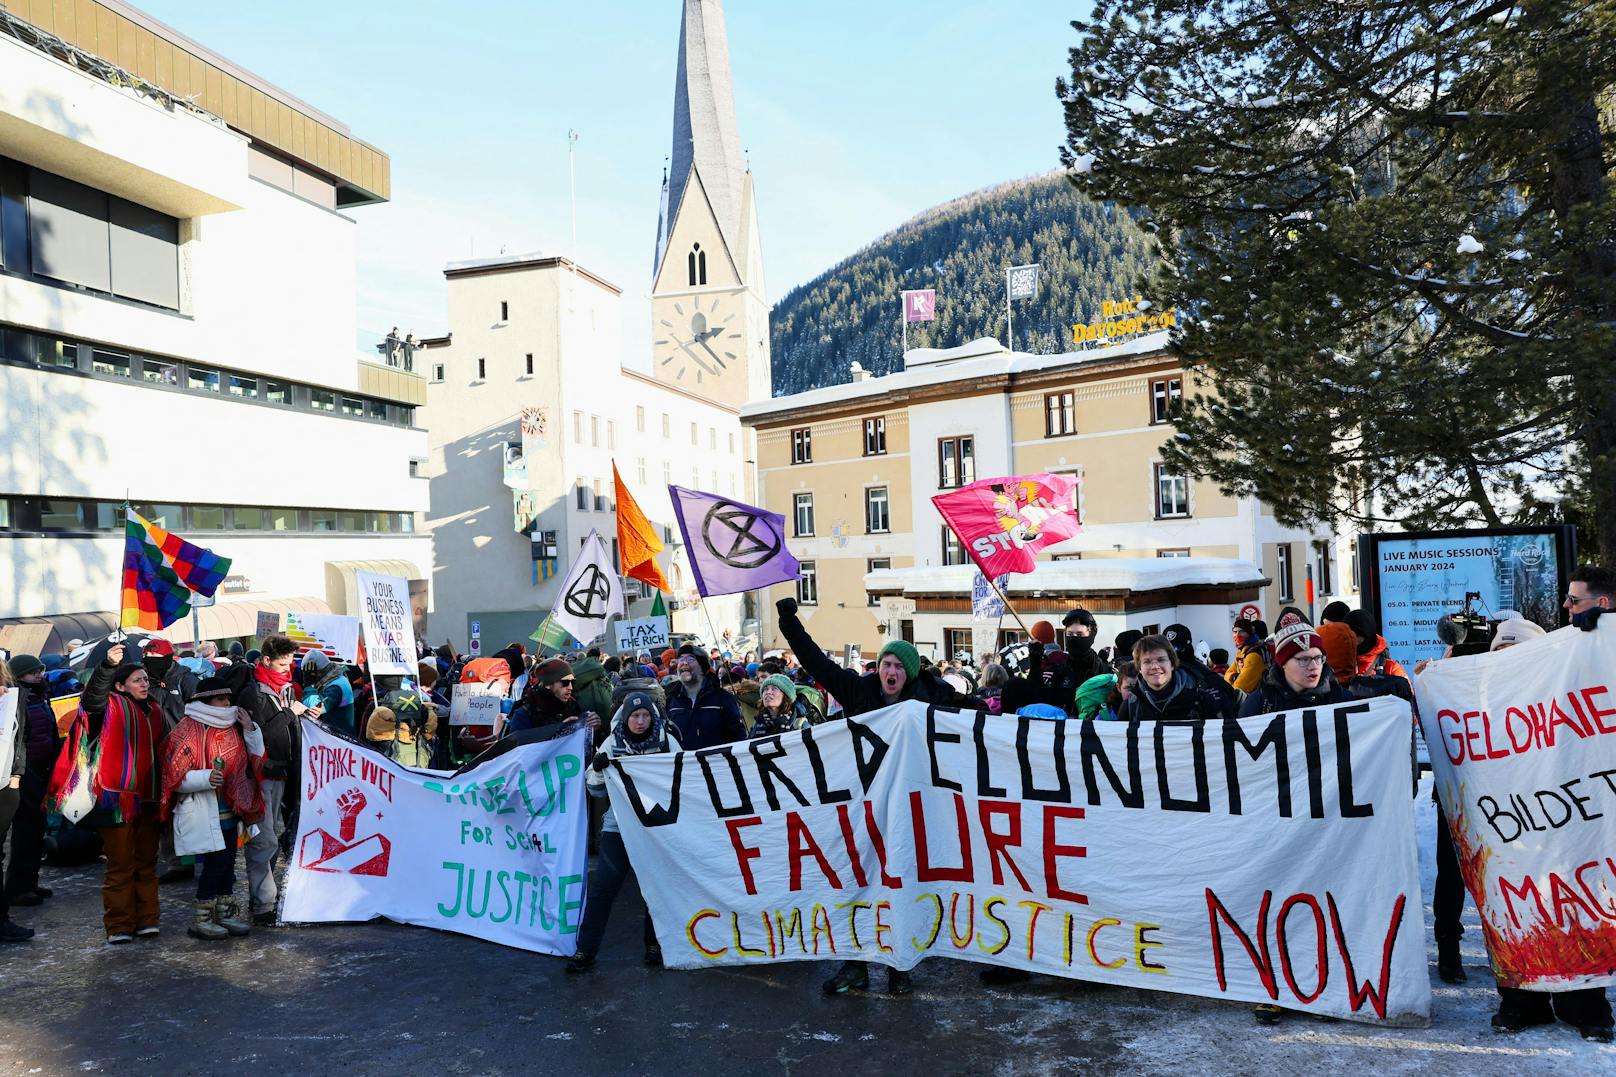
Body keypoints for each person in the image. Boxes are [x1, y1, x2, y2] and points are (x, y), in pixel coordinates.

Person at [777, 596, 960, 995]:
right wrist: (790, 622)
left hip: (909, 809)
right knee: (856, 882)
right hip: (859, 806)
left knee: (902, 884)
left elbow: (977, 720)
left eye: (897, 667)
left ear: (909, 674)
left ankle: (900, 966)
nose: (889, 671)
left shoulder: (931, 698)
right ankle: (854, 965)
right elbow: (815, 663)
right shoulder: (857, 690)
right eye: (885, 664)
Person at [1484, 579, 1612, 1041]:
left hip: (1563, 822)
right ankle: (1521, 1002)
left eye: (1519, 654)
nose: (1510, 662)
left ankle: (1586, 1004)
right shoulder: (1481, 699)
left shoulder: (1568, 687)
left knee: (1577, 908)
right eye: (1502, 653)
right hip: (1507, 826)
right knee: (1515, 909)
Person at [569, 691, 682, 973]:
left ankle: (655, 944)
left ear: (652, 716)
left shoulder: (667, 741)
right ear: (625, 718)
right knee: (604, 887)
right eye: (635, 716)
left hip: (657, 825)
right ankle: (585, 949)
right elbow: (595, 790)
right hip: (619, 824)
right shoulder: (612, 742)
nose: (641, 721)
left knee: (656, 887)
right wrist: (596, 770)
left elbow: (683, 778)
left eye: (645, 715)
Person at [74, 643, 168, 943]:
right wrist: (107, 666)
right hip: (116, 798)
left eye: (145, 679)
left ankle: (147, 920)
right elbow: (92, 700)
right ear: (120, 686)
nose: (145, 683)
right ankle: (119, 925)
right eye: (137, 680)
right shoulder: (109, 707)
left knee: (146, 864)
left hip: (149, 797)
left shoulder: (154, 709)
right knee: (120, 866)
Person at [159, 676, 263, 940]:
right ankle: (201, 918)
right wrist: (205, 778)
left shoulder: (233, 727)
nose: (227, 704)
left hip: (231, 809)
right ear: (205, 702)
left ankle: (224, 914)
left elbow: (256, 757)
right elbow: (173, 777)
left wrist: (250, 728)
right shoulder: (186, 730)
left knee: (228, 864)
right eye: (220, 699)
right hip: (203, 810)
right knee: (214, 865)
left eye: (228, 699)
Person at [240, 634, 316, 927]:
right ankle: (264, 904)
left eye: (291, 662)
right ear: (266, 660)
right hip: (262, 774)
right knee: (263, 839)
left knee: (271, 838)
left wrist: (306, 716)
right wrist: (290, 713)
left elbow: (287, 728)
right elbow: (264, 733)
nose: (288, 668)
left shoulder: (285, 690)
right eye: (283, 663)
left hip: (286, 772)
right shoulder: (253, 693)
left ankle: (262, 897)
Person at [5, 655, 60, 913]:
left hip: (42, 768)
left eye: (40, 670)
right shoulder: (18, 700)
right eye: (32, 672)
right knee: (26, 832)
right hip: (25, 773)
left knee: (37, 830)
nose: (38, 675)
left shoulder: (39, 696)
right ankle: (18, 888)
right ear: (19, 676)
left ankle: (30, 882)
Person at [1238, 620, 1351, 718]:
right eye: (1304, 659)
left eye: (1318, 658)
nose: (1313, 666)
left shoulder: (1341, 699)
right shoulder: (1259, 705)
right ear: (1283, 663)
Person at [1120, 635, 1230, 722]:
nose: (1154, 667)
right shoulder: (1130, 706)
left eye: (1161, 660)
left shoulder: (1201, 700)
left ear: (1172, 664)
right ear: (1139, 668)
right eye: (1147, 662)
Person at [0, 662, 31, 942]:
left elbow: (21, 737)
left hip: (4, 784)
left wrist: (16, 773)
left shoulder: (11, 697)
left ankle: (2, 920)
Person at [665, 652, 745, 750]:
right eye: (681, 659)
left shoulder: (723, 698)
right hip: (683, 763)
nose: (684, 663)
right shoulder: (671, 700)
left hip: (716, 763)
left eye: (691, 659)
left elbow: (738, 736)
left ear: (703, 667)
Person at [300, 651, 356, 735]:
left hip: (339, 739)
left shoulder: (335, 686)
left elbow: (312, 708)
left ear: (317, 672)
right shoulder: (336, 678)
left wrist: (309, 684)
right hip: (336, 735)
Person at [1224, 619, 1267, 694]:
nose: (1237, 635)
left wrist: (1233, 679)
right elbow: (1227, 675)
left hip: (1255, 700)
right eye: (1235, 632)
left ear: (1249, 633)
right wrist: (1233, 676)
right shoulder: (1242, 652)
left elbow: (1240, 688)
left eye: (1242, 631)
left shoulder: (1253, 655)